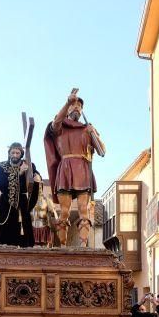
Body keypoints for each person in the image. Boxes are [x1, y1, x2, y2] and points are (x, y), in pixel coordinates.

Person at [44, 88, 106, 247]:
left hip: (83, 170)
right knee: (64, 211)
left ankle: (83, 245)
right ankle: (63, 246)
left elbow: (102, 151)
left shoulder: (87, 128)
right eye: (73, 105)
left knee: (83, 210)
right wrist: (67, 102)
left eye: (79, 106)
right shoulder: (60, 127)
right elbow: (56, 121)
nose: (76, 107)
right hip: (65, 169)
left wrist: (95, 134)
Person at [0, 142, 41, 247]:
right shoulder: (1, 167)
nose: (15, 155)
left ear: (21, 154)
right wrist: (19, 173)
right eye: (13, 152)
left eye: (17, 153)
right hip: (6, 201)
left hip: (22, 201)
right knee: (2, 226)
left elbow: (35, 178)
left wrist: (37, 179)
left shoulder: (29, 165)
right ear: (9, 153)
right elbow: (1, 184)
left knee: (23, 226)